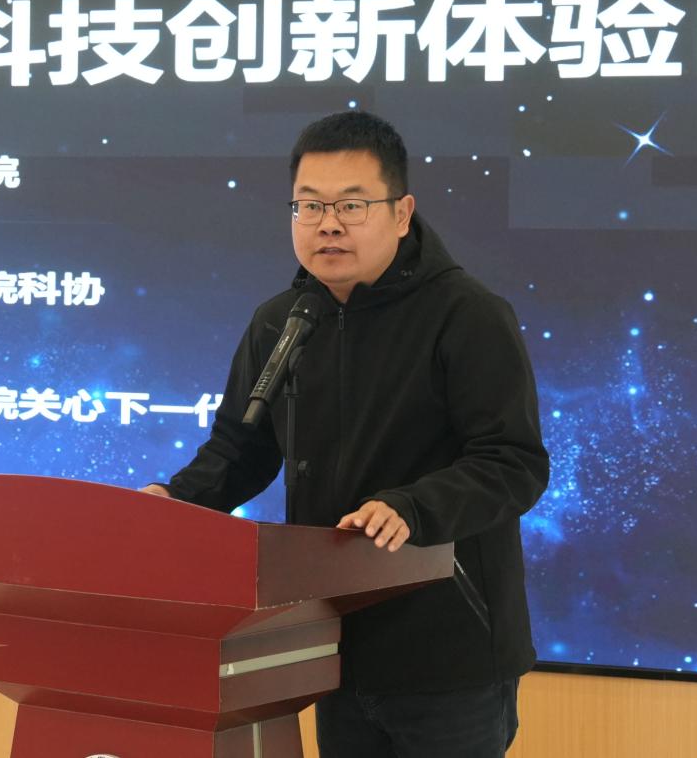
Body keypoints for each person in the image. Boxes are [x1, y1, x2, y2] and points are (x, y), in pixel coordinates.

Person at [143, 111, 549, 757]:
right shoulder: (281, 321)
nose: (327, 224)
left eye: (351, 205)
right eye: (308, 205)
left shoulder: (467, 315)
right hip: (331, 640)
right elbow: (240, 450)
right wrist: (173, 503)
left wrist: (411, 507)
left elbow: (512, 463)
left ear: (401, 212)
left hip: (450, 651)